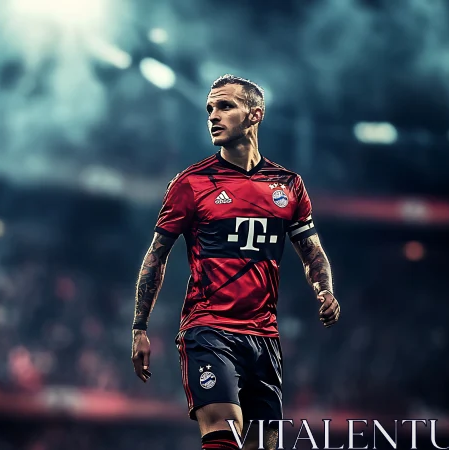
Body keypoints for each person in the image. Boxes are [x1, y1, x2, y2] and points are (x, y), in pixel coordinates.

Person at [130, 74, 340, 450]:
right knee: (224, 428)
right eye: (210, 108)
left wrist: (325, 289)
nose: (213, 115)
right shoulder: (192, 183)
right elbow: (156, 255)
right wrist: (139, 327)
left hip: (264, 338)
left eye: (225, 106)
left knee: (265, 444)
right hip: (209, 328)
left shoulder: (288, 185)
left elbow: (312, 252)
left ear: (255, 114)